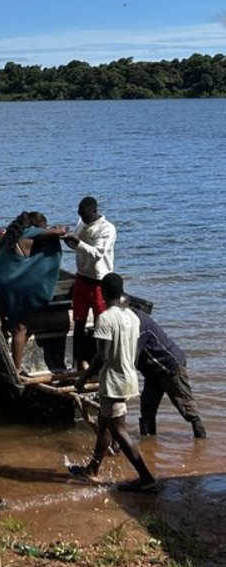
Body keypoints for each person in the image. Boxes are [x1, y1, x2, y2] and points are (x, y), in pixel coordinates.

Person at [68, 273, 157, 493]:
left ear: (103, 292)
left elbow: (103, 356)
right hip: (128, 377)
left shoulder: (106, 318)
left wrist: (83, 377)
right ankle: (93, 469)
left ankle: (146, 478)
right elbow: (133, 353)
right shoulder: (133, 318)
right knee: (105, 423)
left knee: (118, 430)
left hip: (114, 382)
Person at [0, 212, 68, 374]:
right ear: (36, 227)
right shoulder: (28, 233)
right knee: (20, 327)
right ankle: (16, 368)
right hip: (9, 285)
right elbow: (58, 232)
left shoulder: (9, 234)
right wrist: (65, 231)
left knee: (2, 320)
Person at [132, 307, 207, 438]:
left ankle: (201, 440)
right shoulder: (133, 319)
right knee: (147, 409)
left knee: (187, 407)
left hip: (170, 367)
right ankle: (148, 443)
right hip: (153, 372)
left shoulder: (138, 323)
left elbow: (132, 355)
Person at [64, 196, 116, 364]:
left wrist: (77, 242)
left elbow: (97, 253)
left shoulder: (106, 229)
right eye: (80, 213)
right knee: (78, 321)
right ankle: (79, 361)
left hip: (99, 282)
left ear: (95, 211)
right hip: (81, 278)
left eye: (85, 214)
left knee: (101, 324)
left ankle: (101, 361)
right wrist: (68, 241)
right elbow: (76, 247)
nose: (82, 216)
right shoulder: (82, 223)